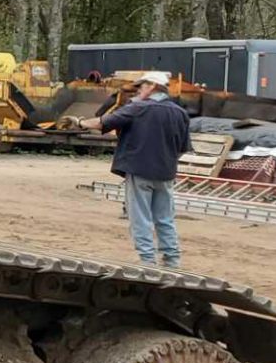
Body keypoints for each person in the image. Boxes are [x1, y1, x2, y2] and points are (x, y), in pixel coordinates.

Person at [82, 71, 193, 267]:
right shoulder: (180, 113)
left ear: (151, 86)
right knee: (165, 219)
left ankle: (148, 262)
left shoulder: (137, 108)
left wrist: (80, 122)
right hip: (165, 174)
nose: (139, 90)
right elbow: (183, 148)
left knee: (140, 218)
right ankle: (172, 261)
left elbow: (102, 123)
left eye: (141, 86)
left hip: (139, 172)